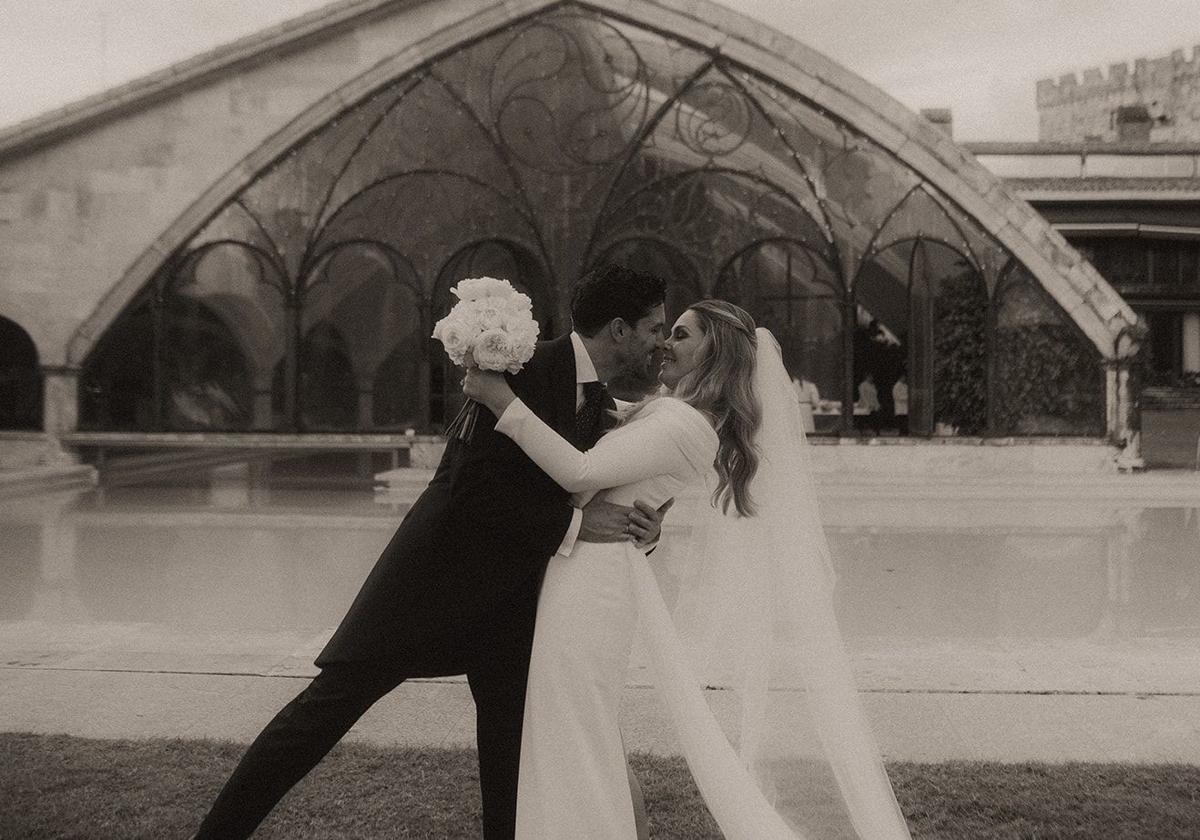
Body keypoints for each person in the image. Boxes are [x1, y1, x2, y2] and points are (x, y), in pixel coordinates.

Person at [192, 265, 673, 840]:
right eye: (654, 327)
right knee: (322, 714)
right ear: (618, 330)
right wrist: (574, 523)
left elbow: (593, 483)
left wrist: (641, 527)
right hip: (431, 585)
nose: (660, 341)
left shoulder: (604, 400)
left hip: (512, 605)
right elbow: (473, 489)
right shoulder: (517, 370)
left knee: (510, 756)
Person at [465, 300, 912, 839]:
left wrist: (503, 402)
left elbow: (579, 472)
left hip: (592, 585)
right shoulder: (671, 412)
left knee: (576, 730)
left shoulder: (684, 423)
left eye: (680, 335)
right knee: (586, 733)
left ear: (714, 353)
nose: (665, 345)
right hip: (589, 572)